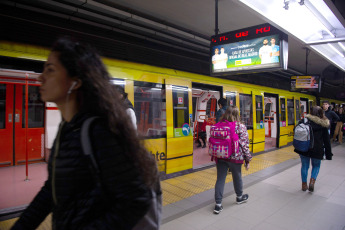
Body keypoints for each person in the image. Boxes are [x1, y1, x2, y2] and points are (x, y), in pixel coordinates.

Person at [11, 37, 159, 229]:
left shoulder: (100, 131)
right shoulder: (67, 129)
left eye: (50, 70)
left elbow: (136, 200)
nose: (41, 77)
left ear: (76, 81)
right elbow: (52, 189)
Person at [214, 106, 252, 214]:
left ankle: (218, 205)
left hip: (220, 156)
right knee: (237, 176)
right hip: (235, 157)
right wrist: (247, 159)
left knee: (220, 179)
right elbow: (244, 145)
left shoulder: (219, 125)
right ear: (237, 114)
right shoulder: (241, 127)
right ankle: (239, 197)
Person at [294, 106, 332, 192]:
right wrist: (329, 154)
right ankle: (312, 181)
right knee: (316, 166)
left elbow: (295, 131)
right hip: (317, 149)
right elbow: (327, 141)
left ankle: (304, 185)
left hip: (304, 148)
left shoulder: (303, 121)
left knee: (304, 166)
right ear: (321, 113)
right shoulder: (323, 124)